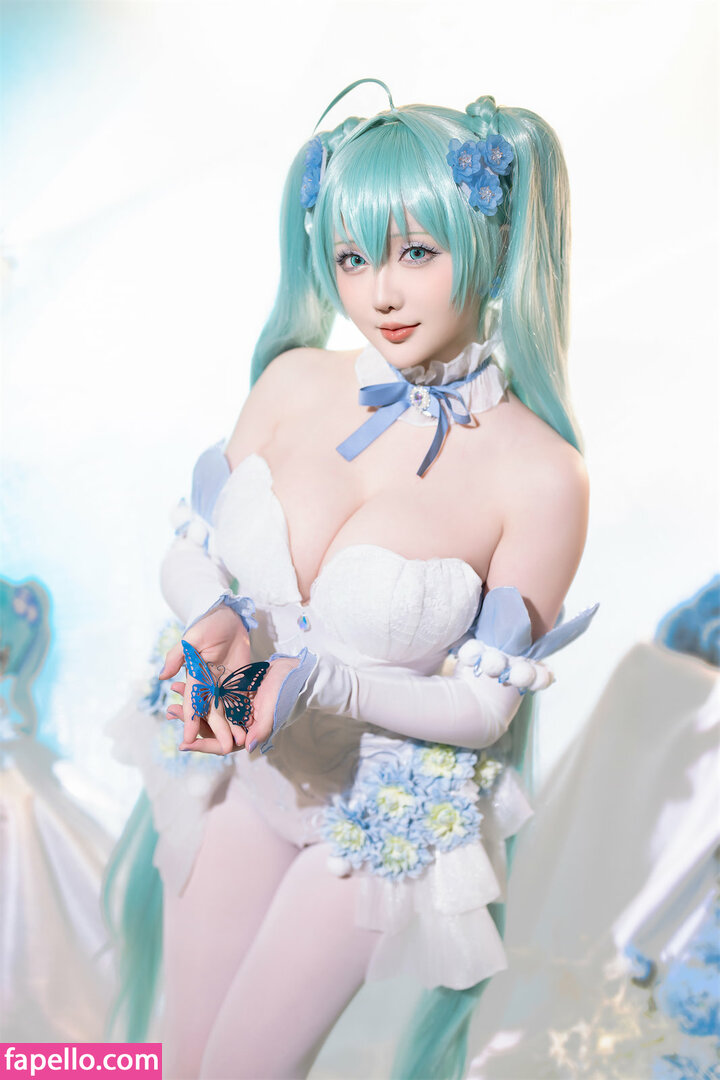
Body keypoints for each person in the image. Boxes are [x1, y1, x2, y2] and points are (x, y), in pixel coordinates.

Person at [104, 78, 595, 1080]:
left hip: (378, 810)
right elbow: (191, 546)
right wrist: (211, 613)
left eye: (416, 252)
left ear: (489, 239)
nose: (379, 295)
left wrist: (320, 681)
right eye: (352, 258)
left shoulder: (542, 475)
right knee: (180, 1061)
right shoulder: (294, 381)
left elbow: (483, 711)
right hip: (239, 767)